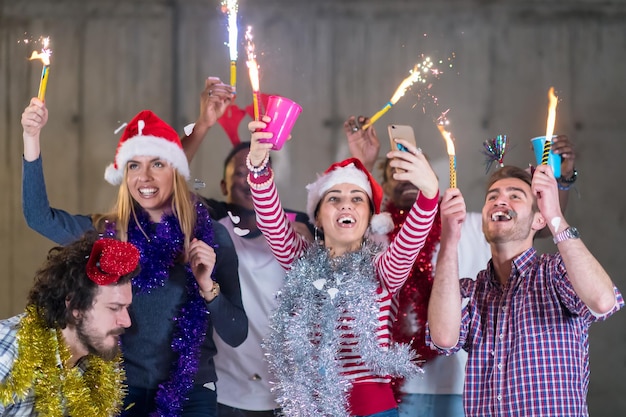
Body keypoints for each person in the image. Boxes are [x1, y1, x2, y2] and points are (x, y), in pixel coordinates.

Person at [20, 82, 248, 417]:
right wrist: (31, 138)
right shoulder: (108, 235)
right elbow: (38, 216)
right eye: (133, 165)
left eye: (158, 163)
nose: (145, 177)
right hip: (118, 388)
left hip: (192, 395)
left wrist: (207, 288)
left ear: (177, 168)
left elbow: (237, 333)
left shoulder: (210, 238)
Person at [344, 116, 578, 417]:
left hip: (457, 386)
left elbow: (539, 224)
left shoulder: (466, 224)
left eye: (412, 169)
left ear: (432, 179)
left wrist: (564, 179)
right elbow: (343, 218)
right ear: (385, 185)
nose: (405, 178)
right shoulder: (375, 235)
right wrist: (361, 162)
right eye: (395, 172)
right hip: (391, 386)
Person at [246, 115, 440, 417]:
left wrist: (429, 194)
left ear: (368, 218)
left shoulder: (382, 268)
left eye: (357, 199)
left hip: (373, 410)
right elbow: (272, 222)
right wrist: (259, 168)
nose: (346, 205)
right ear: (319, 218)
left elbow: (411, 238)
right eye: (334, 198)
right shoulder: (301, 263)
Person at [427, 165, 623, 417]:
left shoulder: (556, 273)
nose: (500, 201)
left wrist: (554, 214)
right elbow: (443, 338)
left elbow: (603, 301)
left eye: (515, 195)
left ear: (537, 219)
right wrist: (450, 237)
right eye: (492, 197)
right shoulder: (471, 291)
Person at [191, 141, 311, 417]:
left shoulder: (297, 232)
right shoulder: (212, 234)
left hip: (288, 392)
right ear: (223, 186)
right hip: (229, 392)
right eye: (239, 173)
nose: (248, 179)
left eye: (257, 169)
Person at [0, 231, 140, 416]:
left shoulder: (101, 368)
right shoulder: (9, 351)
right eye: (114, 308)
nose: (127, 321)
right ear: (75, 306)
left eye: (126, 308)